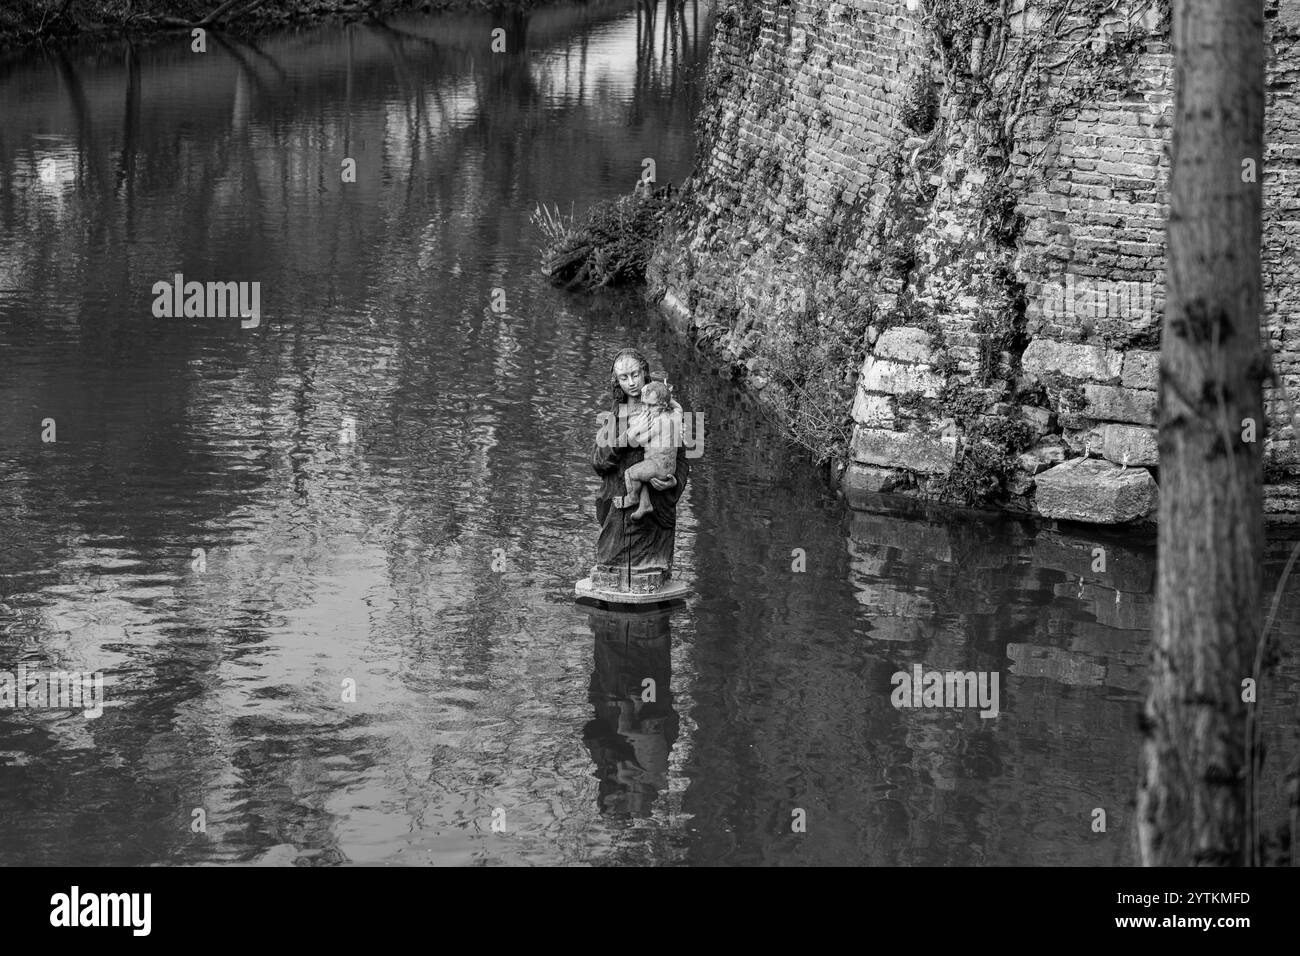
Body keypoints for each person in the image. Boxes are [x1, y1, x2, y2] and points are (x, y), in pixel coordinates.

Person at [590, 348, 689, 592]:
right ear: (617, 381)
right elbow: (598, 461)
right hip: (620, 514)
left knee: (651, 566)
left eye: (635, 374)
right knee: (611, 558)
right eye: (624, 378)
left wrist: (674, 481)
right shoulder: (614, 416)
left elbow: (684, 460)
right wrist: (626, 437)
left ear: (645, 372)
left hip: (655, 513)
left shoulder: (669, 411)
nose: (631, 383)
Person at [611, 380, 681, 520]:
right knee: (642, 473)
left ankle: (631, 499)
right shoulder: (676, 414)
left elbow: (637, 441)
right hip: (668, 468)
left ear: (663, 405)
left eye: (651, 405)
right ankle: (645, 504)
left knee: (630, 473)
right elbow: (678, 406)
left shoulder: (655, 423)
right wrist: (667, 396)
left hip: (657, 466)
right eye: (644, 404)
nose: (646, 409)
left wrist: (636, 428)